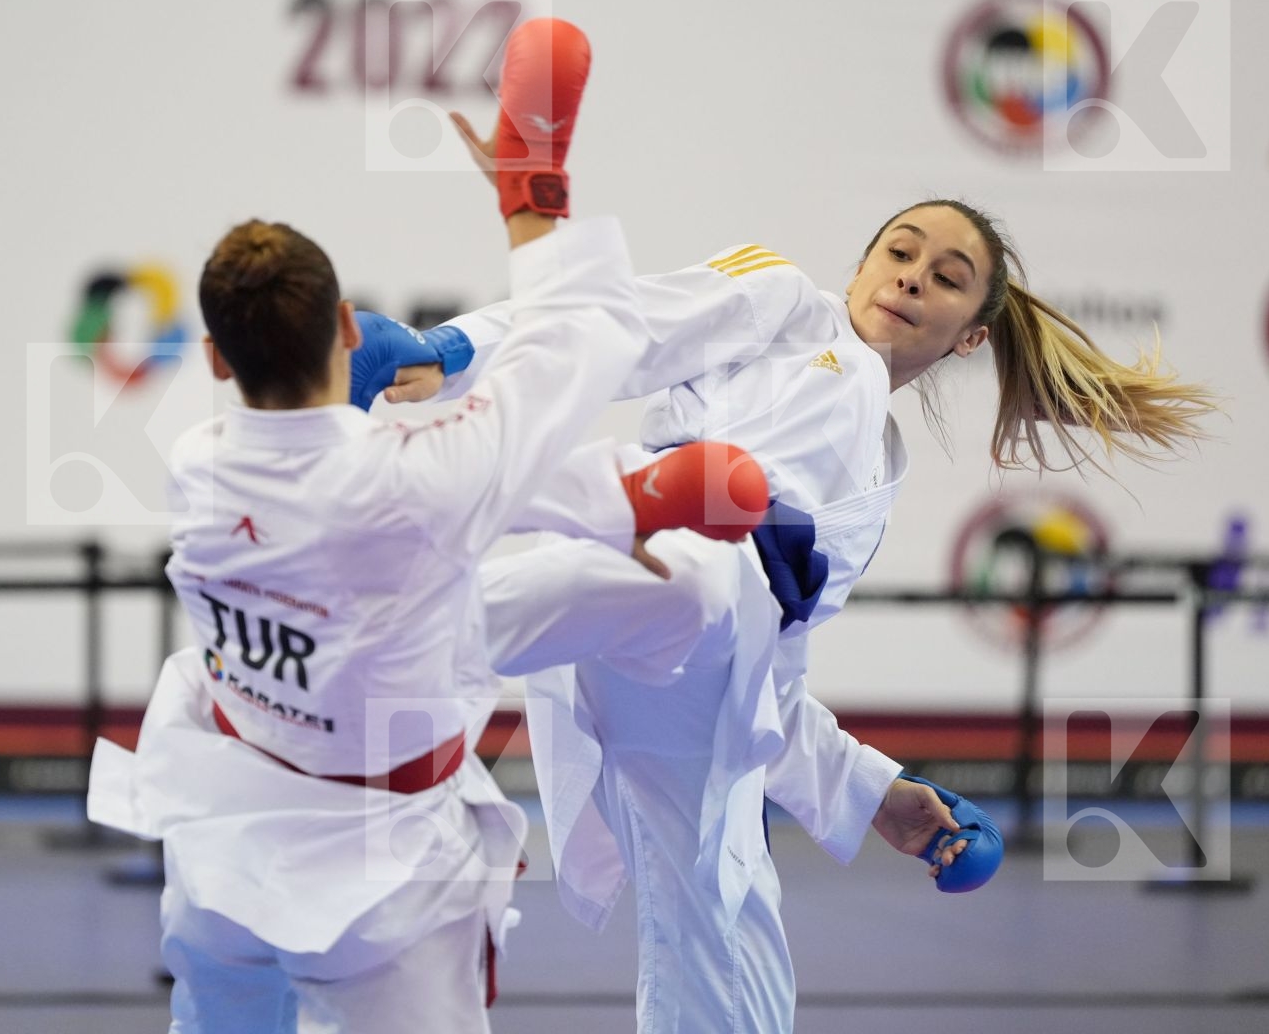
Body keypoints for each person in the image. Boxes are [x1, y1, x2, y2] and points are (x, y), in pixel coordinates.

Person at [357, 180, 1218, 1031]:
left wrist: (875, 791)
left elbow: (767, 673)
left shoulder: (875, 480)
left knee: (731, 936)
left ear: (971, 336)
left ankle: (386, 633)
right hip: (655, 548)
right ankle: (375, 633)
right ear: (860, 269)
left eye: (948, 278)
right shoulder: (785, 303)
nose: (914, 276)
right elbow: (622, 325)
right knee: (697, 567)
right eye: (901, 252)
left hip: (700, 666)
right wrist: (450, 350)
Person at [86, 18, 771, 1034]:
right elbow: (569, 347)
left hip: (220, 840)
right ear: (352, 329)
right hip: (378, 883)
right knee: (585, 601)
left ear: (219, 363)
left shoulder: (198, 465)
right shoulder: (418, 485)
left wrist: (623, 501)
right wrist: (528, 188)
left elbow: (349, 474)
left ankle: (625, 509)